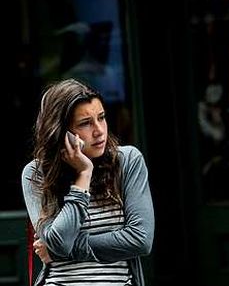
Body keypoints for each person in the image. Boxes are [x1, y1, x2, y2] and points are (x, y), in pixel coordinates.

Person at [22, 78, 154, 286]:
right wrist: (83, 174)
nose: (99, 130)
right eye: (85, 123)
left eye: (101, 118)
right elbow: (60, 242)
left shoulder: (127, 161)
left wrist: (61, 251)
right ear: (60, 131)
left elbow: (140, 240)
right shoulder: (36, 173)